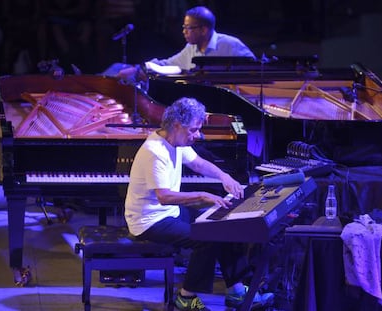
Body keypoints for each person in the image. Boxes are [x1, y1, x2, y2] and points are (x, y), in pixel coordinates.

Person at [124, 97, 274, 311]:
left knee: (223, 223)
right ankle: (186, 297)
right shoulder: (155, 152)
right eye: (193, 130)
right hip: (148, 221)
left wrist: (225, 177)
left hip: (168, 213)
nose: (197, 136)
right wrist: (203, 195)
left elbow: (198, 163)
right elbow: (164, 197)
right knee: (206, 239)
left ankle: (237, 291)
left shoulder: (175, 140)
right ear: (177, 125)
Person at [117, 5, 255, 79]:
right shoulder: (191, 48)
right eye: (184, 27)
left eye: (188, 28)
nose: (184, 32)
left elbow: (256, 69)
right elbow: (166, 64)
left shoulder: (230, 45)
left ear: (204, 30)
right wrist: (137, 69)